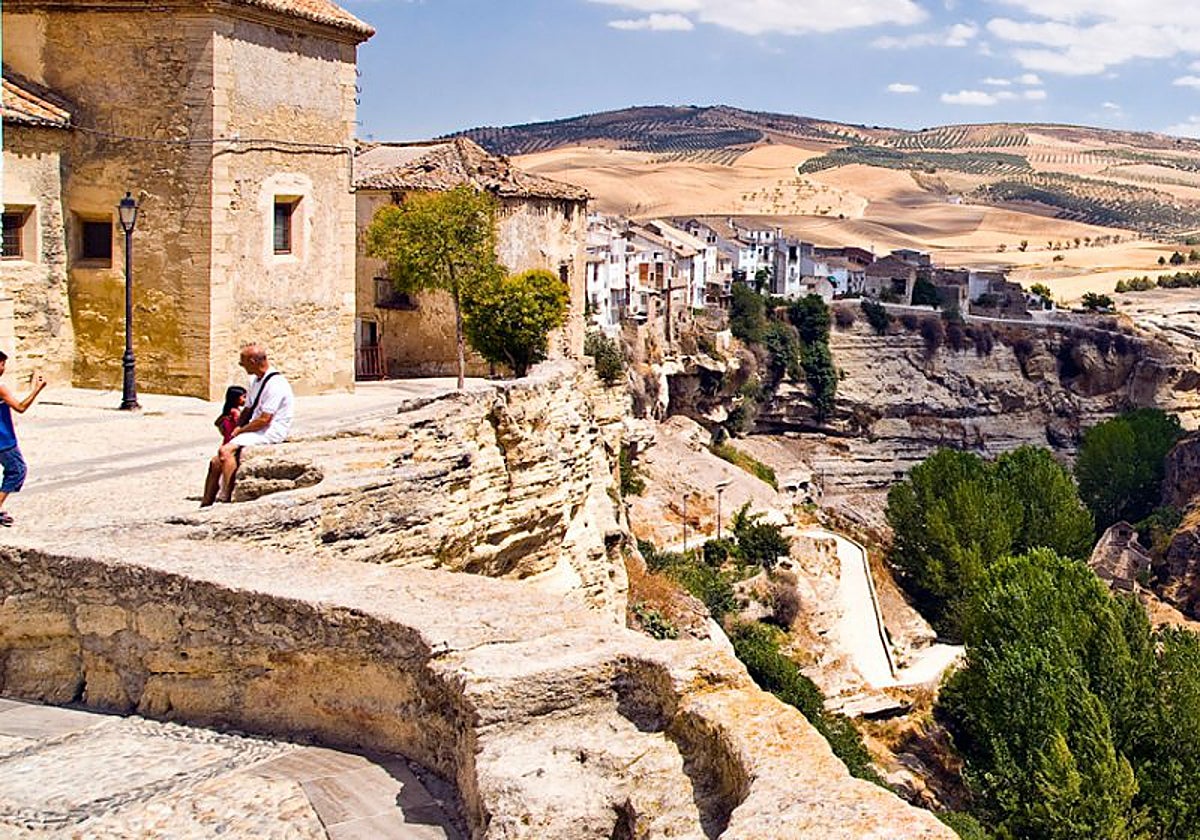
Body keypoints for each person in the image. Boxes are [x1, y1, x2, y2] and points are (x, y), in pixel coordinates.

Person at [201, 343, 294, 506]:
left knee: (225, 451)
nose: (241, 365)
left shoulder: (276, 384)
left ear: (252, 361)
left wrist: (241, 430)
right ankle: (206, 503)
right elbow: (248, 409)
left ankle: (226, 496)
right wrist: (238, 426)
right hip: (256, 428)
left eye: (242, 361)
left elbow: (265, 419)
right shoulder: (255, 381)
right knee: (215, 463)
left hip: (271, 430)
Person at [0, 351, 47, 526]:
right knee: (17, 470)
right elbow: (20, 407)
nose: (4, 368)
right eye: (2, 364)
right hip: (3, 439)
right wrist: (36, 390)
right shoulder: (0, 388)